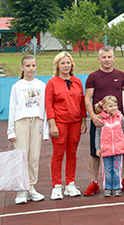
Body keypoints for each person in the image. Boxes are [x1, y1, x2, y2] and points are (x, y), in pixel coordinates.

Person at [84, 46, 124, 196]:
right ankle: (94, 182)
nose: (106, 60)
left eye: (109, 57)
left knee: (122, 150)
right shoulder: (93, 77)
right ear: (99, 59)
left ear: (114, 58)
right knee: (95, 152)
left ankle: (122, 180)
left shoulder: (121, 75)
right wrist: (92, 116)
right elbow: (87, 98)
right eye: (103, 57)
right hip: (100, 121)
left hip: (118, 120)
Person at [45, 52, 87, 200]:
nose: (65, 66)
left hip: (75, 122)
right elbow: (48, 104)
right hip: (60, 123)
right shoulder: (52, 82)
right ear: (57, 65)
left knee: (72, 154)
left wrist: (83, 120)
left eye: (68, 63)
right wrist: (52, 124)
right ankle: (56, 186)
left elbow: (82, 102)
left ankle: (70, 184)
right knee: (58, 154)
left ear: (72, 64)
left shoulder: (77, 81)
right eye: (62, 63)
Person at [8, 55, 48, 204]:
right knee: (21, 156)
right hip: (21, 122)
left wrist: (45, 131)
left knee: (33, 157)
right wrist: (11, 130)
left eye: (33, 65)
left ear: (36, 67)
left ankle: (31, 187)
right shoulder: (17, 86)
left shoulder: (42, 85)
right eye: (28, 66)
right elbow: (12, 108)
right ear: (22, 67)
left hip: (37, 121)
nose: (31, 69)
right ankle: (21, 190)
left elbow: (44, 108)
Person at [94, 95, 124, 197]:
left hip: (118, 148)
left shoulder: (120, 118)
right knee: (107, 169)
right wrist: (97, 148)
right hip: (106, 149)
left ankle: (117, 187)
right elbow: (97, 135)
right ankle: (108, 188)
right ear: (104, 108)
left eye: (115, 105)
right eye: (110, 106)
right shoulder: (101, 119)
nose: (113, 108)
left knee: (116, 168)